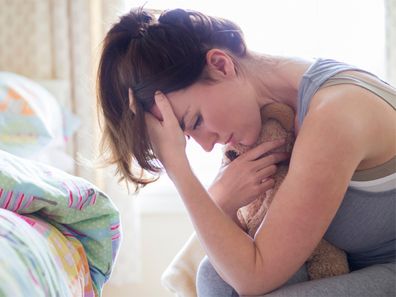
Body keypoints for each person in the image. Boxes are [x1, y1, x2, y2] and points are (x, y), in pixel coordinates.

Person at [96, 7, 396, 297]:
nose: (206, 144)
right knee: (213, 277)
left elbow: (253, 275)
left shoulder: (335, 114)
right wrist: (221, 201)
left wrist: (177, 168)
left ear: (221, 65)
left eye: (196, 121)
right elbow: (238, 250)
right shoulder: (264, 120)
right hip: (363, 268)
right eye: (187, 137)